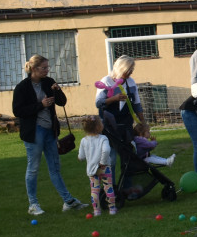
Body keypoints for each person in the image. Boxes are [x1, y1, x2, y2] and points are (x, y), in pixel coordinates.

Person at [12, 55, 88, 215]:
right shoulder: (22, 87)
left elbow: (62, 102)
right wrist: (40, 105)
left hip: (50, 130)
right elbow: (18, 111)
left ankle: (68, 201)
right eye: (44, 68)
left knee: (55, 167)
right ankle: (33, 204)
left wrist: (57, 90)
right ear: (33, 69)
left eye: (47, 67)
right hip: (34, 132)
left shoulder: (48, 82)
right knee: (33, 168)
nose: (47, 70)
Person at [95, 55, 144, 182]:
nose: (131, 72)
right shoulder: (106, 81)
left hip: (126, 124)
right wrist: (114, 98)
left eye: (132, 69)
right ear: (121, 68)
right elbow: (98, 103)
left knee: (127, 156)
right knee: (110, 158)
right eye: (129, 69)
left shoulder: (131, 82)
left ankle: (127, 188)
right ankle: (109, 188)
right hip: (109, 126)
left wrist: (142, 122)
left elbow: (137, 104)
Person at [78, 116, 116, 216]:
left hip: (92, 170)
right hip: (105, 168)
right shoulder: (103, 138)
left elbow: (81, 156)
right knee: (108, 188)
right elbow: (106, 150)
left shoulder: (84, 140)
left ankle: (96, 211)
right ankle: (112, 209)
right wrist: (103, 162)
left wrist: (80, 158)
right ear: (98, 127)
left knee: (94, 190)